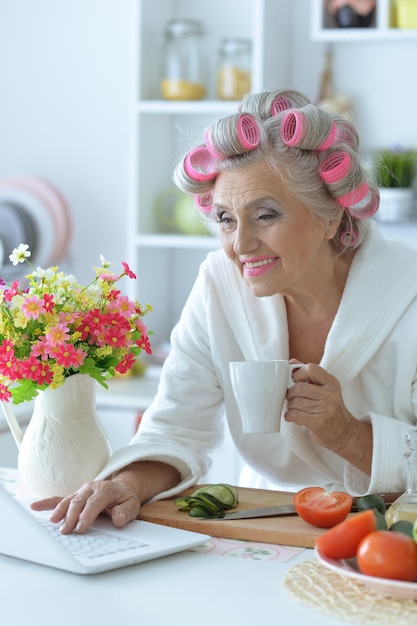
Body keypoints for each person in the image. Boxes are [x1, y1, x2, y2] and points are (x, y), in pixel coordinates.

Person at [32, 88, 417, 534]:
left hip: (396, 536)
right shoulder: (220, 282)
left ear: (330, 215)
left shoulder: (407, 292)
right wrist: (129, 483)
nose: (240, 244)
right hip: (269, 521)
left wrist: (349, 435)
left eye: (266, 215)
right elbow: (176, 427)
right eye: (225, 219)